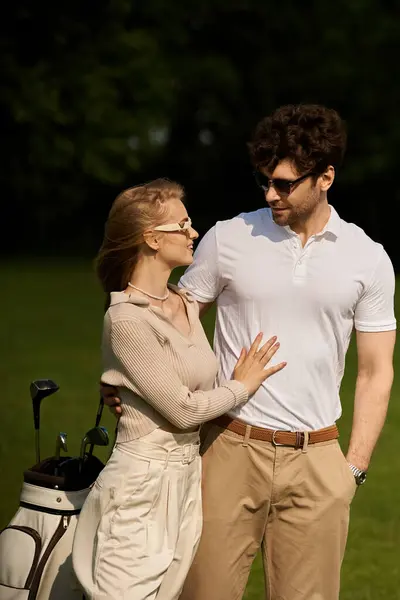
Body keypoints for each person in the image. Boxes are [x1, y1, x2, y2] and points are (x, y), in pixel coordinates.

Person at [103, 105, 397, 600]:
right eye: (264, 181)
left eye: (284, 183)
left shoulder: (368, 257)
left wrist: (352, 469)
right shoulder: (229, 237)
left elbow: (376, 371)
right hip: (226, 451)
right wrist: (130, 377)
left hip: (318, 459)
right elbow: (170, 323)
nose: (270, 194)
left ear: (326, 176)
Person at [72, 179, 286, 600]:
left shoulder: (185, 303)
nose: (194, 233)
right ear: (152, 239)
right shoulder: (127, 320)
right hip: (140, 486)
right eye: (183, 225)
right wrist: (241, 387)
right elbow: (184, 410)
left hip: (186, 480)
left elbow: (173, 381)